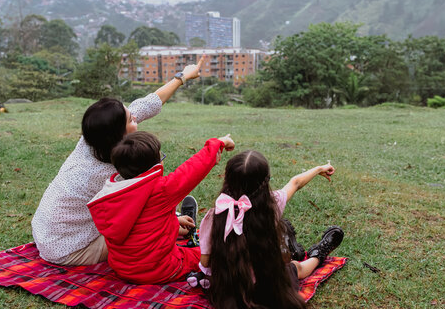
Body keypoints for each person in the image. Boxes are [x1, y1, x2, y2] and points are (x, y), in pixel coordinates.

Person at [31, 57, 205, 266]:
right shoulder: (109, 176)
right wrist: (171, 226)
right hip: (68, 249)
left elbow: (146, 105)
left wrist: (183, 76)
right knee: (141, 231)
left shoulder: (94, 139)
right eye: (131, 119)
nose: (136, 119)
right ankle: (172, 226)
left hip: (46, 233)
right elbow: (137, 213)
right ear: (117, 135)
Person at [197, 150, 344, 308]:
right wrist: (319, 169)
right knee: (297, 268)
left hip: (227, 291)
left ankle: (290, 245)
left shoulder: (213, 217)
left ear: (227, 179)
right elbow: (295, 183)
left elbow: (205, 263)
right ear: (265, 182)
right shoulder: (272, 206)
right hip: (266, 288)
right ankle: (318, 254)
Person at [87, 131, 235, 284]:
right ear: (155, 166)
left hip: (122, 268)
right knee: (205, 254)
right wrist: (218, 143)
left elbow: (140, 222)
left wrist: (174, 221)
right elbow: (192, 170)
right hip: (159, 270)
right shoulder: (160, 190)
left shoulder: (112, 194)